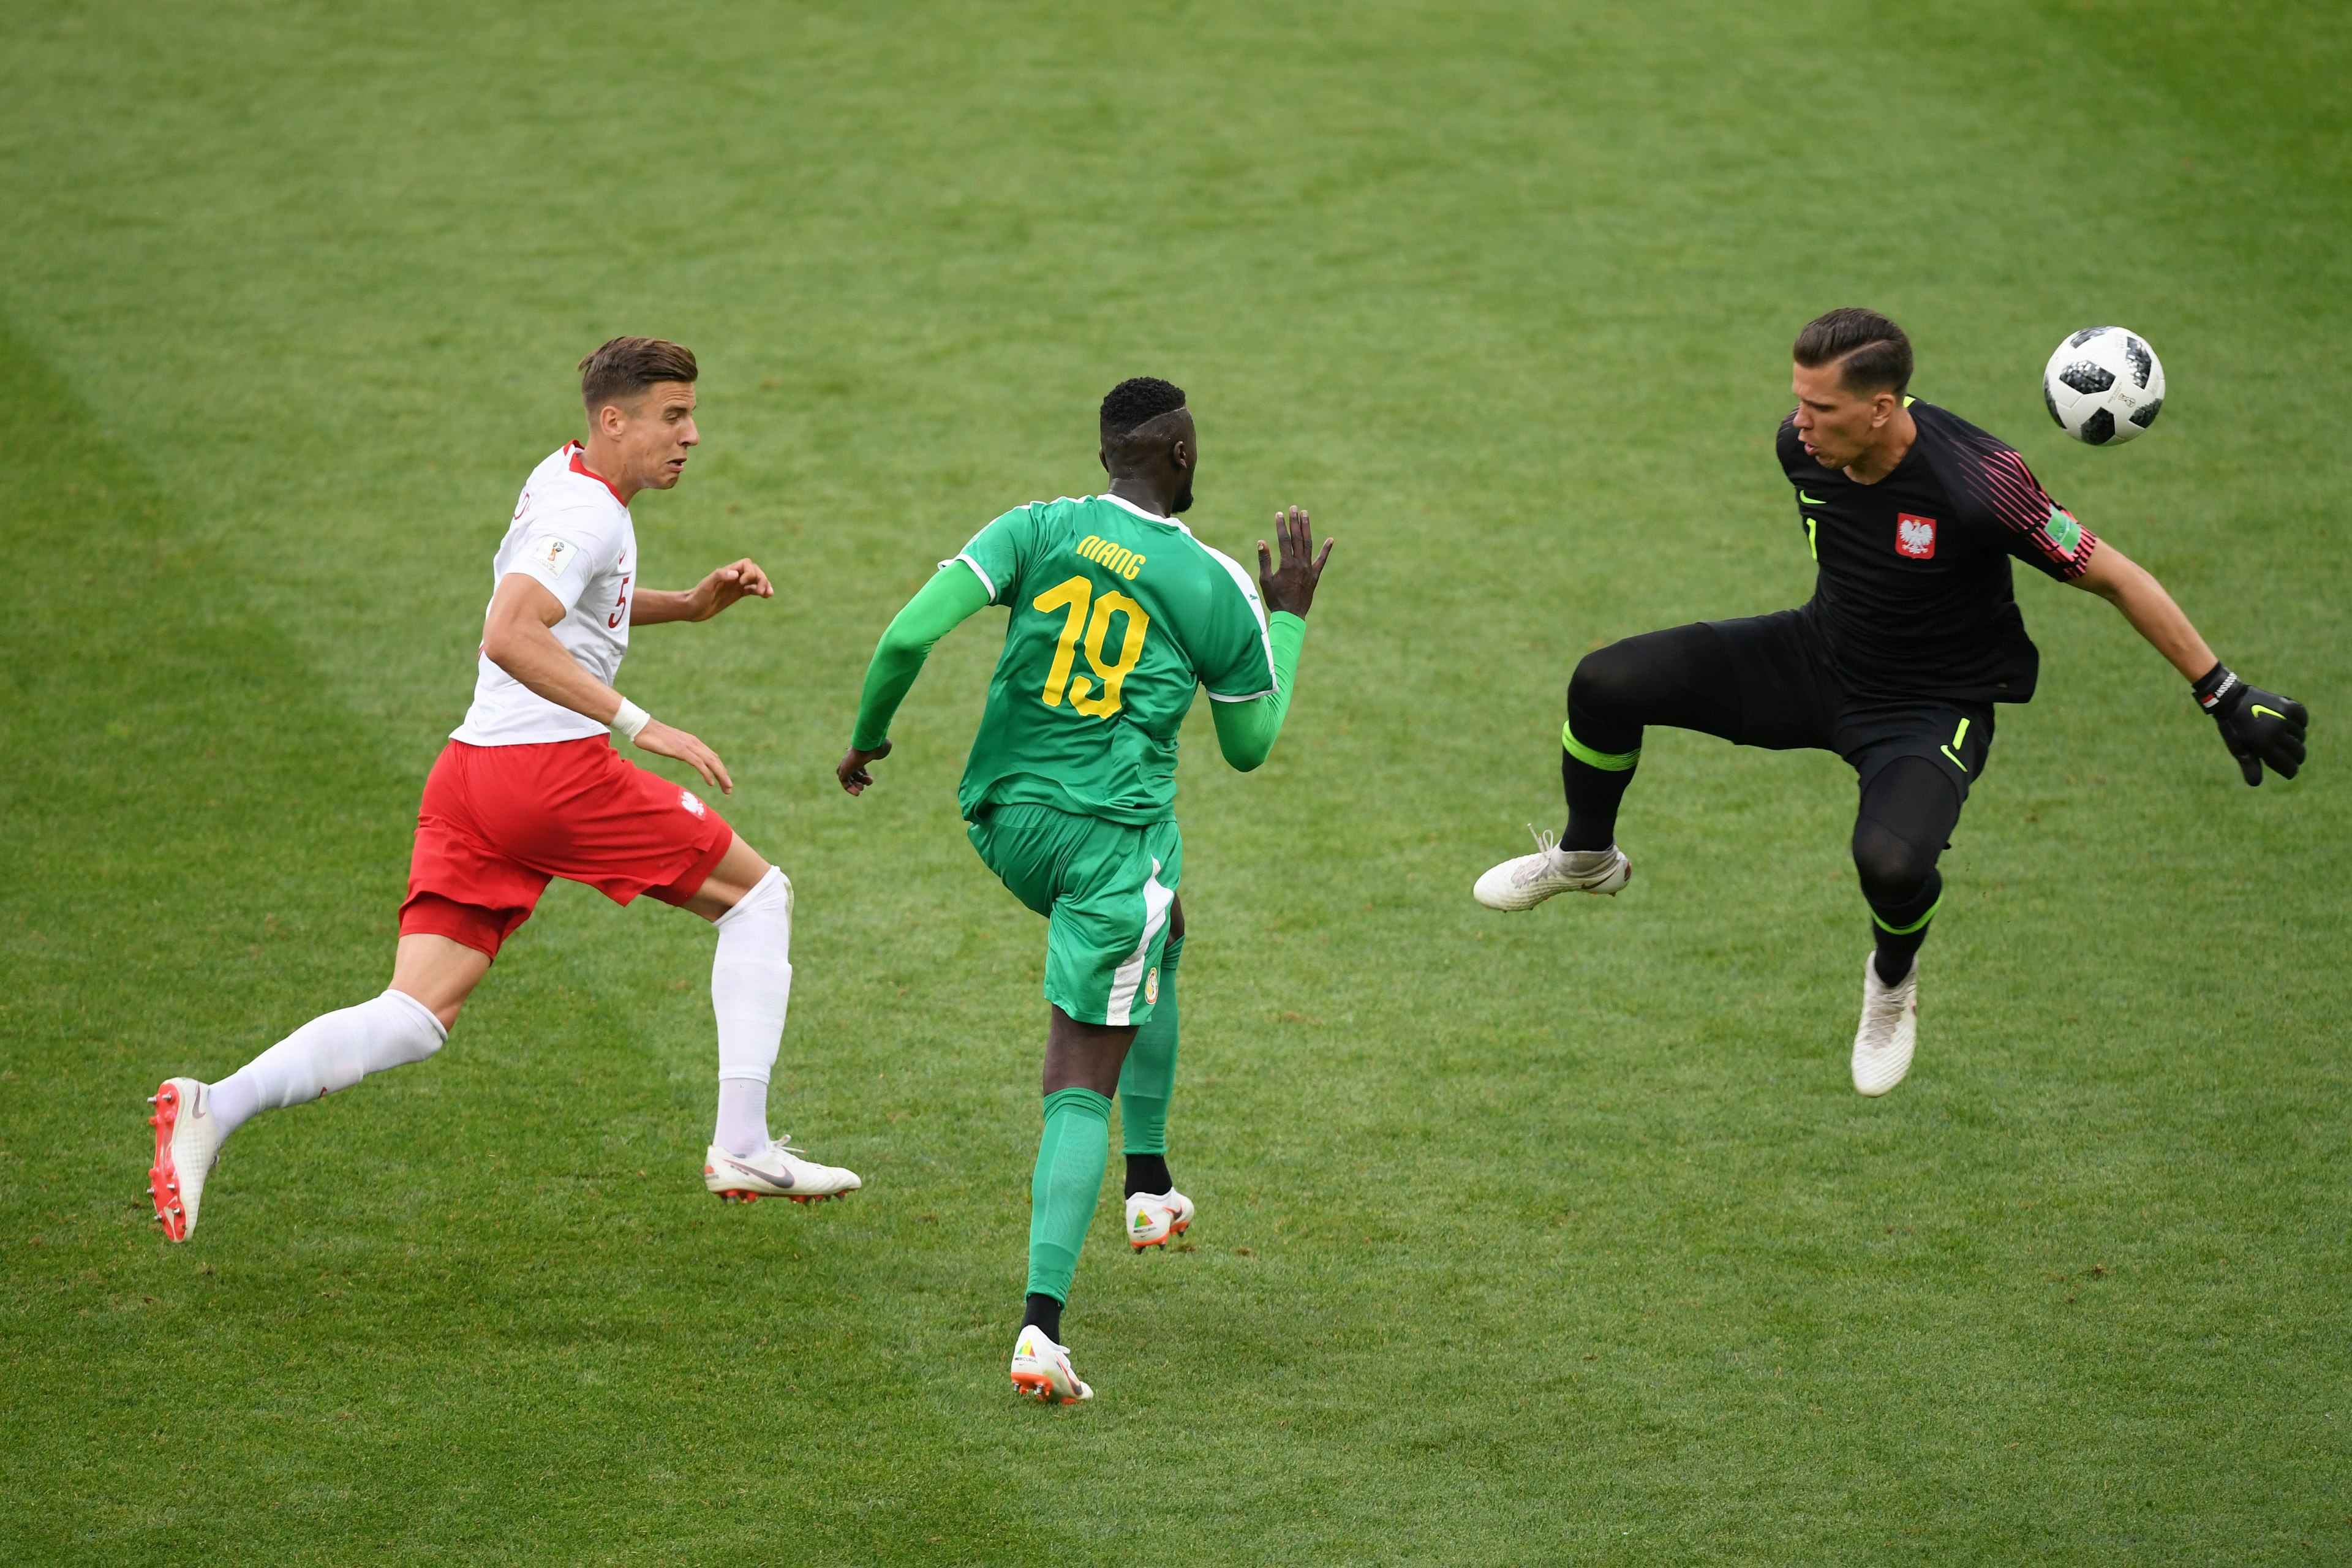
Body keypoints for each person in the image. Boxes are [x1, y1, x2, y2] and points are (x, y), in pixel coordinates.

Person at [1474, 308, 2308, 1095]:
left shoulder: (1985, 484)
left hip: (1929, 706)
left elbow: (2114, 576)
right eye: (1798, 400)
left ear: (1881, 409)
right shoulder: (1801, 449)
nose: (1800, 422)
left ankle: (1892, 984)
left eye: (1820, 406)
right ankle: (1587, 860)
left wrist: (2221, 690)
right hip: (1816, 658)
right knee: (1606, 683)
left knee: (1893, 864)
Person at [146, 337, 859, 1242]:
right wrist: (648, 727)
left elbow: (568, 595)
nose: (693, 435)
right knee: (758, 897)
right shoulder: (588, 512)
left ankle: (215, 1105)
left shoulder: (567, 481)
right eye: (674, 416)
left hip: (470, 775)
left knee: (415, 1014)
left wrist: (685, 603)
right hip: (549, 775)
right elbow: (511, 630)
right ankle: (744, 1143)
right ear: (615, 419)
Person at [837, 377, 1333, 1403]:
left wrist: (868, 737)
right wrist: (1287, 619)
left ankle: (1150, 1187)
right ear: (1182, 456)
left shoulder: (1035, 525)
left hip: (1005, 824)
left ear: (1111, 452)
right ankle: (1040, 1329)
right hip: (1108, 850)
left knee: (1168, 929)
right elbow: (1250, 746)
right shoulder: (1209, 584)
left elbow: (903, 639)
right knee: (1078, 1073)